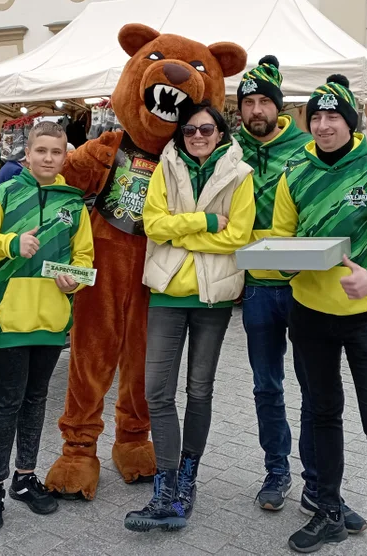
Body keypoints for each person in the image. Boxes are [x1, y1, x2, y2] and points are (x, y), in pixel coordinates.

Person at [272, 75, 367, 556]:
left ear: (350, 123)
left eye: (334, 116)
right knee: (322, 414)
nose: (324, 124)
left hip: (365, 318)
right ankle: (329, 514)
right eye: (316, 116)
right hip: (309, 314)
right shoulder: (296, 171)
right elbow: (281, 235)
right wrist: (283, 260)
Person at [234, 58, 367, 531]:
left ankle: (318, 488)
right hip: (256, 291)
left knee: (316, 392)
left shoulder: (308, 145)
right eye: (247, 102)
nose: (256, 110)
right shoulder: (231, 153)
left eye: (263, 101)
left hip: (304, 289)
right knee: (266, 386)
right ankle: (276, 472)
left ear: (278, 105)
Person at [125, 101, 255, 532]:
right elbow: (153, 224)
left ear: (221, 133)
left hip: (212, 297)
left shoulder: (241, 175)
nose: (197, 137)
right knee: (157, 391)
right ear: (180, 135)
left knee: (199, 389)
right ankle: (164, 485)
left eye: (206, 129)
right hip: (167, 292)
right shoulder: (164, 167)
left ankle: (187, 480)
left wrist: (185, 230)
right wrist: (206, 221)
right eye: (189, 131)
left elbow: (239, 235)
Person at [0, 121, 94, 533]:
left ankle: (24, 478)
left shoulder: (74, 205)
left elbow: (87, 261)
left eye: (56, 152)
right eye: (41, 151)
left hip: (52, 320)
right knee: (6, 402)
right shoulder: (3, 194)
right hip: (8, 317)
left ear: (65, 156)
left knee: (36, 400)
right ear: (27, 153)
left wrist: (74, 276)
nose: (48, 159)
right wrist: (9, 243)